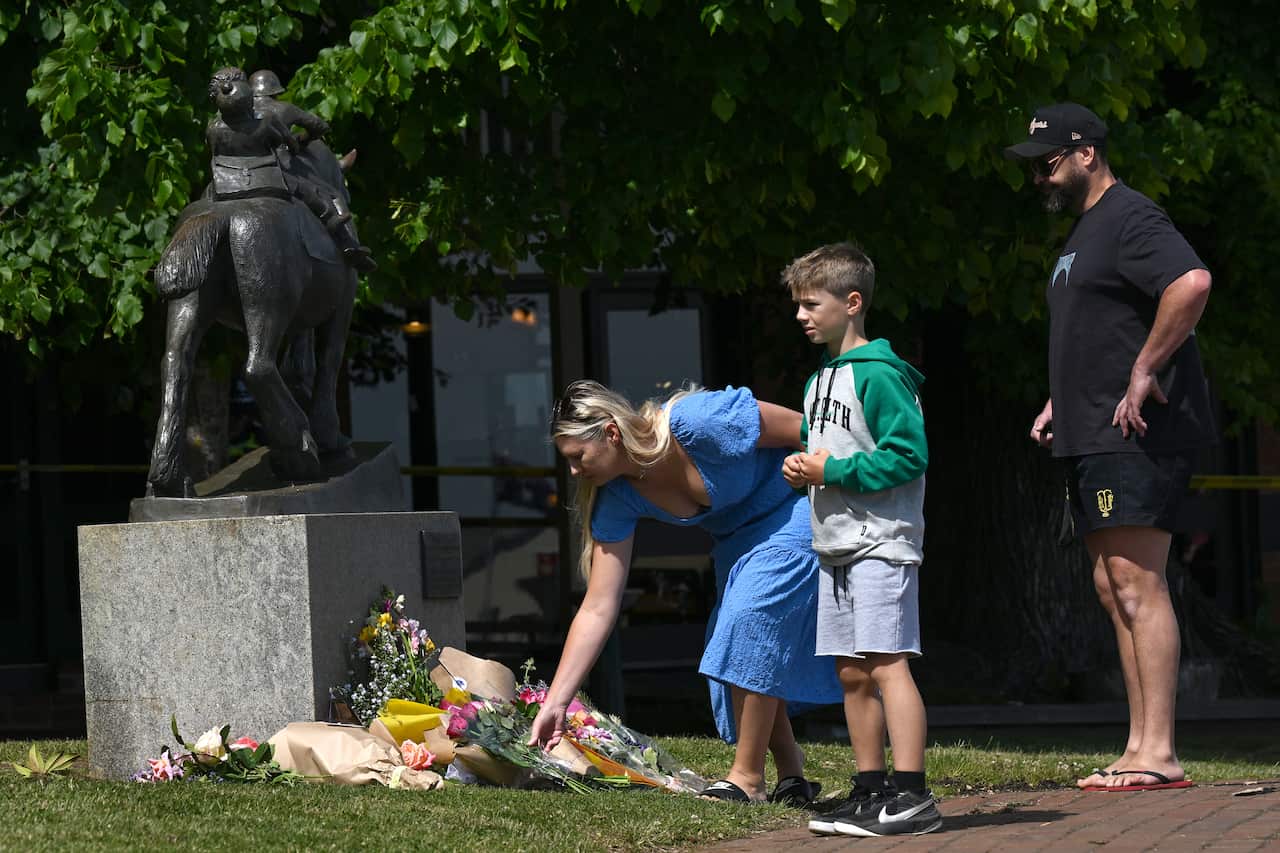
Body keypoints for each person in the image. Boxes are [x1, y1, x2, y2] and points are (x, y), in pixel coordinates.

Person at [1005, 103, 1214, 792]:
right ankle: (1137, 745)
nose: (1040, 177)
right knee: (1109, 582)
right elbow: (1097, 332)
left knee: (1135, 579)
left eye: (1049, 162)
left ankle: (1160, 751)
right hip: (1090, 427)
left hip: (1136, 432)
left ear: (1087, 153)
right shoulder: (1085, 232)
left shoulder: (1131, 217)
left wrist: (1147, 366)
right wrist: (1060, 399)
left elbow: (1191, 283)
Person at [528, 380, 842, 804]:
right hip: (737, 541)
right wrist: (556, 702)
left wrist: (857, 484)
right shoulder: (618, 497)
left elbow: (813, 431)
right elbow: (598, 607)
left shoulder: (700, 421)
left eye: (576, 456)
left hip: (794, 510)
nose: (572, 471)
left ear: (610, 433)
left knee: (749, 621)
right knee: (739, 649)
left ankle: (747, 779)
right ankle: (792, 773)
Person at [779, 243, 941, 837]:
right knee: (851, 672)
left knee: (887, 663)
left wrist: (832, 473)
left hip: (882, 543)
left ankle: (913, 794)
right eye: (797, 304)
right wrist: (804, 468)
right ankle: (870, 791)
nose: (801, 314)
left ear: (852, 303)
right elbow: (830, 450)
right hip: (837, 544)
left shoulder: (880, 376)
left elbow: (908, 456)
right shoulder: (821, 378)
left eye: (810, 303)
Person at [206, 67, 374, 271]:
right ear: (275, 92)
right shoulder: (277, 113)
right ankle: (348, 244)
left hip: (227, 178)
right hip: (272, 171)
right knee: (329, 195)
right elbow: (318, 128)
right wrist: (301, 139)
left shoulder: (217, 125)